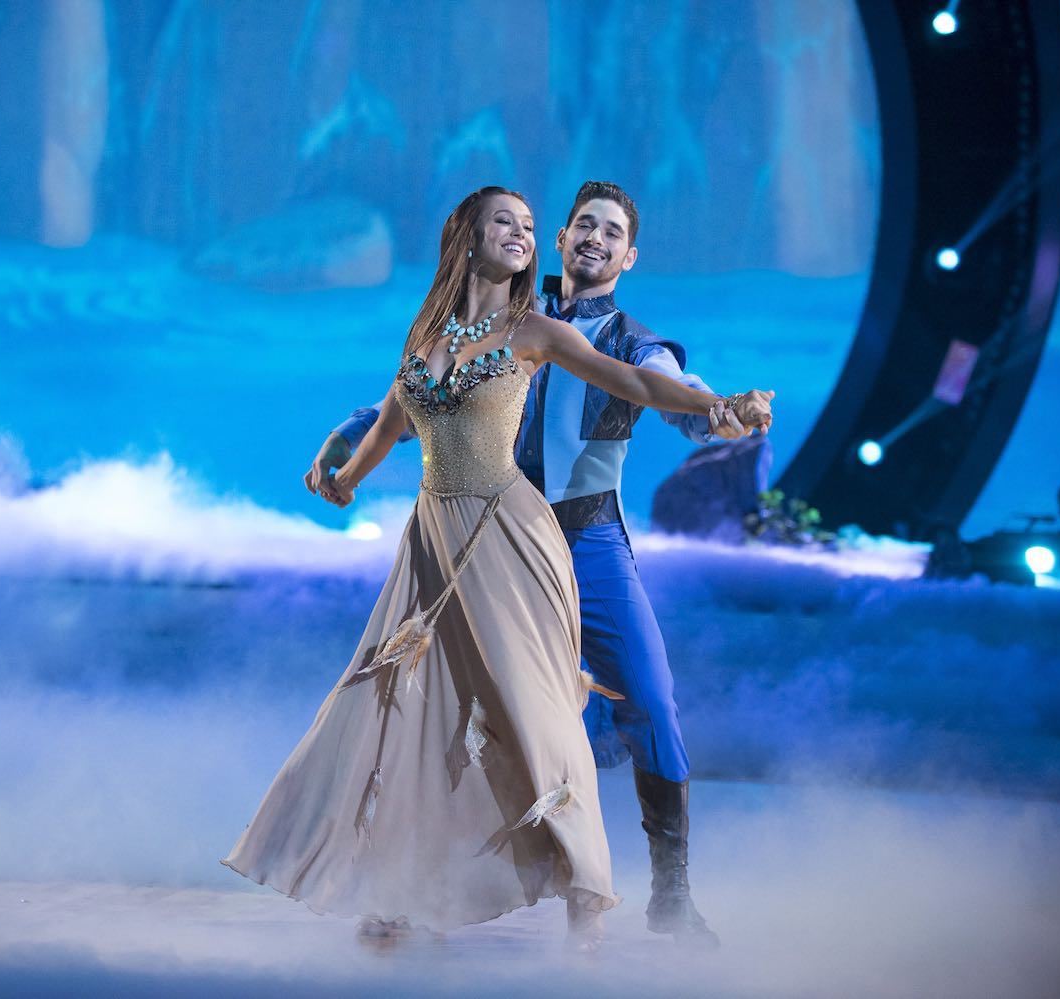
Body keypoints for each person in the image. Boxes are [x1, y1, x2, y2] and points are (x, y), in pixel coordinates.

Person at [224, 186, 771, 949]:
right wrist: (351, 440)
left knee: (645, 696)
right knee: (435, 706)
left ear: (629, 255)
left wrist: (717, 407)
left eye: (613, 232)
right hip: (477, 535)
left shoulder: (623, 335)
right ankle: (421, 886)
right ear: (562, 237)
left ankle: (668, 892)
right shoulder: (506, 316)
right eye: (584, 224)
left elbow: (666, 383)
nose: (594, 239)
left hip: (582, 537)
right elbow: (424, 397)